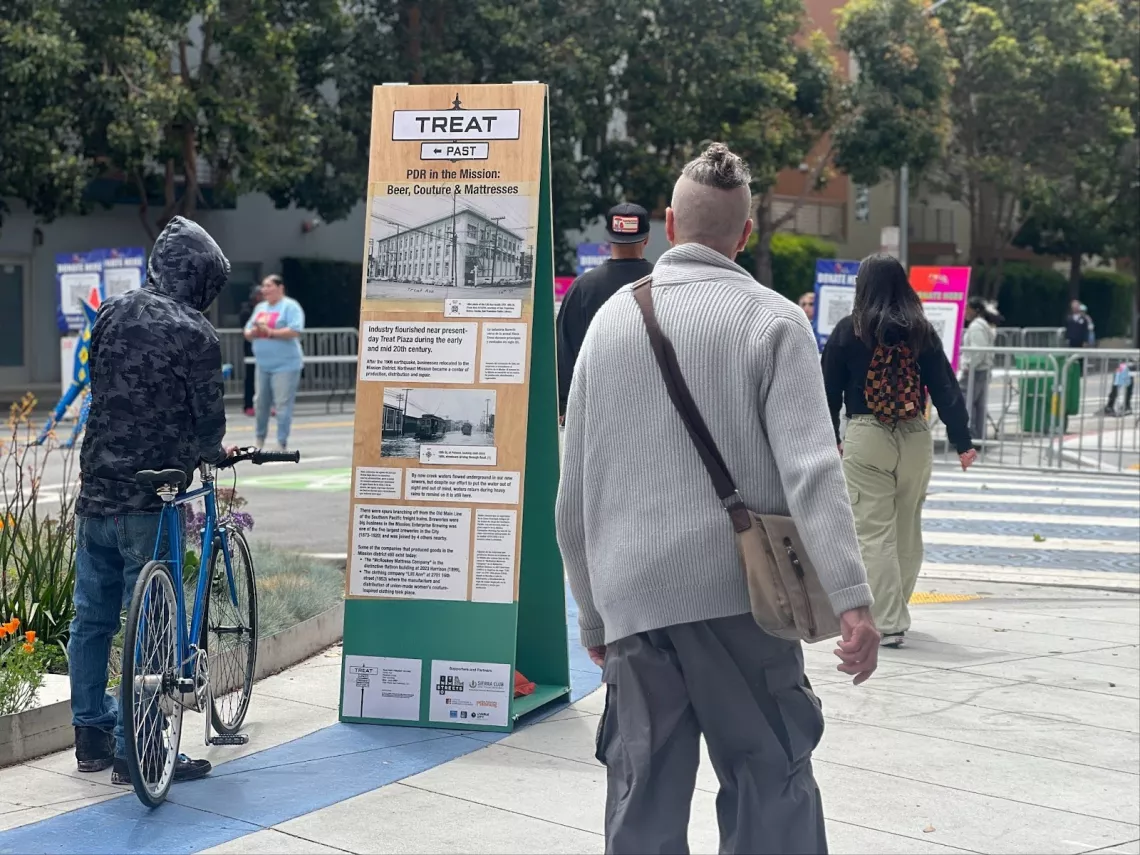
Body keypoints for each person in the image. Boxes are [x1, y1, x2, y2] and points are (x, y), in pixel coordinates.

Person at [557, 143, 879, 855]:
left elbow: (572, 491)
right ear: (745, 233)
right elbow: (812, 471)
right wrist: (852, 598)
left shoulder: (609, 322)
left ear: (670, 225)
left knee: (642, 798)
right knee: (770, 781)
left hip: (636, 598)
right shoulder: (773, 322)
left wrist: (593, 611)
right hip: (744, 599)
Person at [71, 216, 229, 785]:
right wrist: (212, 451)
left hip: (96, 492)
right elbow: (208, 421)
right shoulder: (196, 332)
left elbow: (101, 387)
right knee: (154, 623)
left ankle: (90, 735)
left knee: (91, 619)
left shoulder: (111, 312)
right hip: (150, 498)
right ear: (202, 280)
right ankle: (138, 750)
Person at [821, 254, 977, 649]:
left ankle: (888, 621)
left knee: (873, 531)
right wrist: (962, 441)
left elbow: (827, 391)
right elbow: (945, 387)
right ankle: (897, 608)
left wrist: (830, 438)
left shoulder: (849, 330)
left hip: (867, 434)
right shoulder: (921, 331)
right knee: (908, 526)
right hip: (914, 435)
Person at [556, 203, 654, 422]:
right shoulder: (663, 283)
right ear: (647, 239)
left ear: (608, 239)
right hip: (653, 412)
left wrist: (564, 404)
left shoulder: (582, 288)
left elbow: (564, 354)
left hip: (595, 413)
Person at [244, 274, 305, 450]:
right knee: (260, 403)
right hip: (263, 364)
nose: (265, 290)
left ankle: (281, 442)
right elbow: (247, 331)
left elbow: (295, 330)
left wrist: (270, 332)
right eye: (263, 286)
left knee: (282, 404)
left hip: (286, 365)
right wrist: (253, 332)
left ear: (280, 288)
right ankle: (259, 439)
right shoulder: (260, 308)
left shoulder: (290, 306)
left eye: (269, 286)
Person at [959, 296, 1001, 441]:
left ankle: (970, 436)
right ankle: (977, 436)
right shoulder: (983, 325)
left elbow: (978, 351)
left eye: (967, 308)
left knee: (966, 403)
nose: (965, 312)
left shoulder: (976, 327)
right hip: (982, 370)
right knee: (978, 405)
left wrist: (969, 365)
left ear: (974, 310)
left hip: (975, 371)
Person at [237, 283, 261, 416]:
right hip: (250, 347)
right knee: (251, 377)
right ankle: (248, 405)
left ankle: (267, 404)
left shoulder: (266, 308)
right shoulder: (246, 310)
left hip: (265, 346)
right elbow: (246, 328)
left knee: (266, 377)